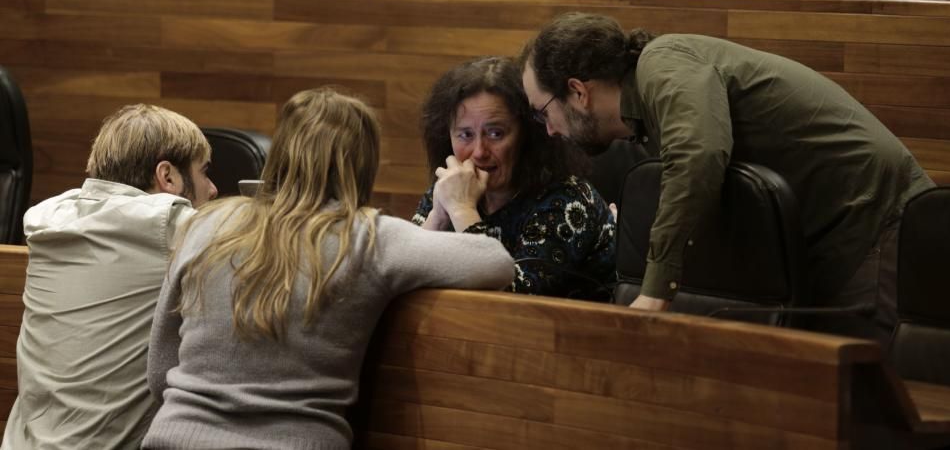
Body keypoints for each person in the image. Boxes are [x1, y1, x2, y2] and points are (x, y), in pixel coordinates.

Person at [522, 12, 934, 341]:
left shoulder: (663, 62)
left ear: (578, 91)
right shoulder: (645, 117)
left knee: (869, 406)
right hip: (832, 240)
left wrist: (653, 295)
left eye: (543, 112)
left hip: (877, 220)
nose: (550, 131)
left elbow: (698, 156)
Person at [141, 87, 513, 450]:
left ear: (280, 151)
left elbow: (159, 371)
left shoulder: (205, 225)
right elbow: (496, 263)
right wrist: (462, 206)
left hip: (174, 438)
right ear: (363, 164)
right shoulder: (369, 238)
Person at [1, 104, 217, 450]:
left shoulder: (47, 221)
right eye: (204, 172)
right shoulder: (167, 223)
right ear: (168, 177)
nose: (213, 190)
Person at [412, 56, 616, 301]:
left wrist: (462, 210)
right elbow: (399, 278)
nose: (479, 152)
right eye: (465, 135)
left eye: (495, 134)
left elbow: (514, 300)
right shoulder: (451, 189)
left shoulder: (568, 200)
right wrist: (438, 217)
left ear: (528, 136)